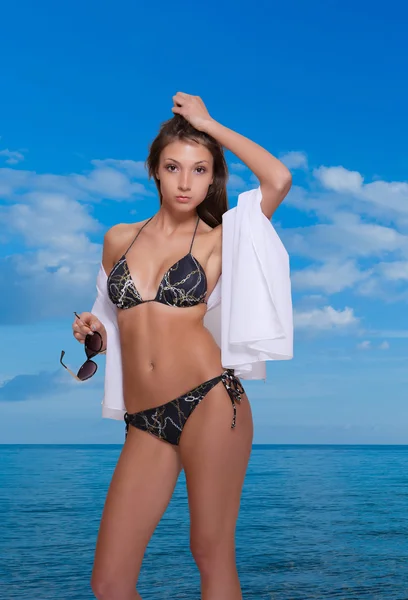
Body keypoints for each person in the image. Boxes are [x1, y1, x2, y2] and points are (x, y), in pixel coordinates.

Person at [71, 92, 293, 600]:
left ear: (213, 176)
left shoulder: (222, 238)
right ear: (154, 170)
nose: (186, 181)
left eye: (200, 169)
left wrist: (208, 124)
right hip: (144, 418)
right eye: (174, 167)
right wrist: (91, 331)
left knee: (210, 554)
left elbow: (278, 179)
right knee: (108, 581)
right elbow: (111, 322)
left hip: (210, 402)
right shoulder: (118, 238)